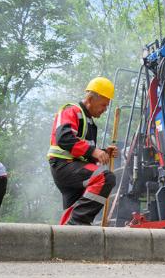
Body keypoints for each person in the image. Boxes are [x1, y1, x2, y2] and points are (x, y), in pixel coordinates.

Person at [48, 77, 118, 225]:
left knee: (73, 210)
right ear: (90, 99)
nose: (105, 109)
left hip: (73, 167)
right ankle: (76, 225)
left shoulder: (89, 122)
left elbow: (85, 154)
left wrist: (103, 152)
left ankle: (68, 233)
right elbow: (64, 137)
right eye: (103, 105)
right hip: (64, 166)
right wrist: (94, 152)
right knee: (105, 177)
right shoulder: (72, 110)